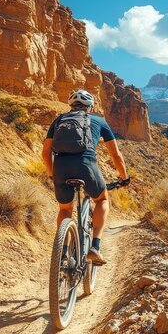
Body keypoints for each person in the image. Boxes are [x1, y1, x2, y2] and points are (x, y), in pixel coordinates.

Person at [41, 89, 130, 266]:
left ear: (71, 106)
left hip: (60, 168)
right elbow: (116, 155)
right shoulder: (99, 121)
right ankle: (95, 246)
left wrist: (52, 174)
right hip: (86, 166)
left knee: (65, 209)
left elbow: (45, 153)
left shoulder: (59, 120)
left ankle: (64, 252)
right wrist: (124, 177)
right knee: (102, 199)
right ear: (90, 107)